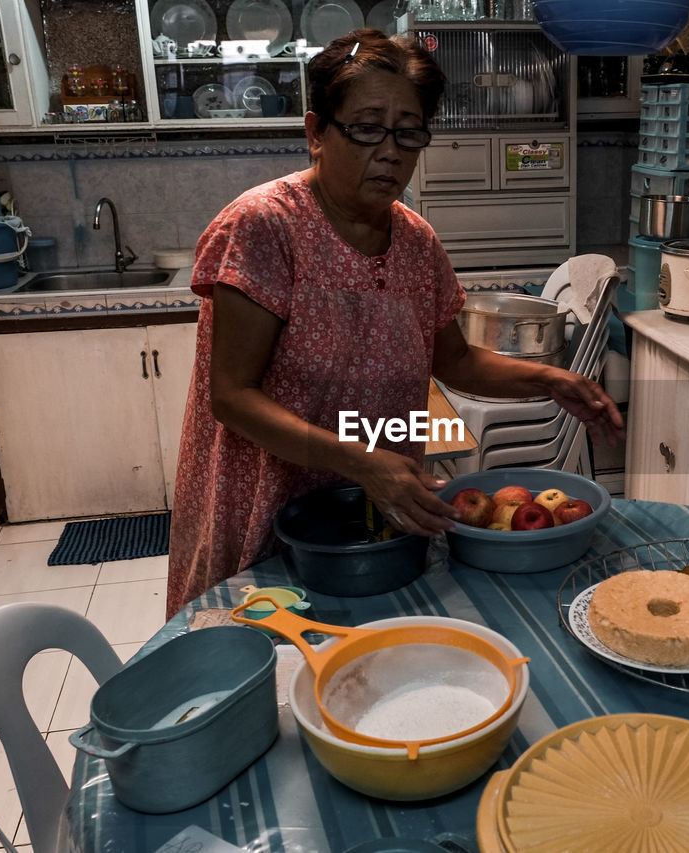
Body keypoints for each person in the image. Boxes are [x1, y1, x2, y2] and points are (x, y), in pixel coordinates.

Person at [166, 29, 624, 617]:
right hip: (271, 500)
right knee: (270, 644)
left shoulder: (415, 240)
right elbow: (231, 396)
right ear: (315, 133)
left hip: (385, 498)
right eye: (366, 128)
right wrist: (362, 461)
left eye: (408, 133)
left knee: (378, 656)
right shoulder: (263, 227)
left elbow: (453, 361)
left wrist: (549, 381)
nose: (390, 151)